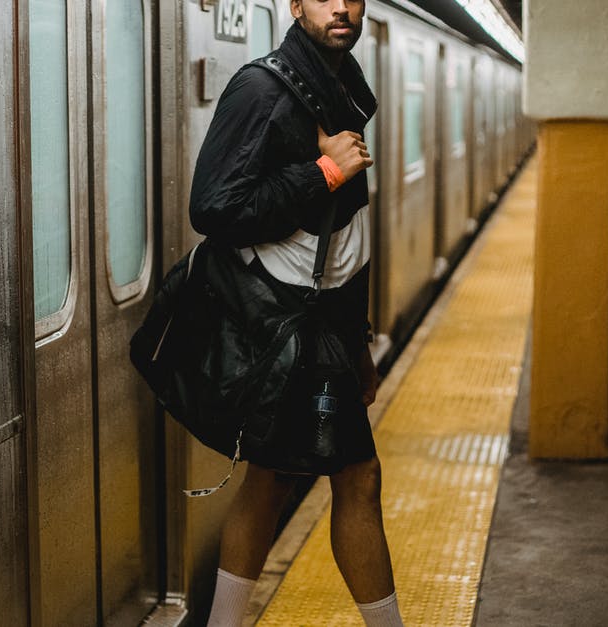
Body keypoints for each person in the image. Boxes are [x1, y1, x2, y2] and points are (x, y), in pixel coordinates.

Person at [188, 1, 402, 625]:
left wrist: (358, 340)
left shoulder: (339, 87)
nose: (342, 6)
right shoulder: (260, 87)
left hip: (320, 320)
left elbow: (343, 234)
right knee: (358, 477)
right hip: (285, 321)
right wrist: (326, 171)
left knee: (272, 477)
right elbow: (215, 208)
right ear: (295, 5)